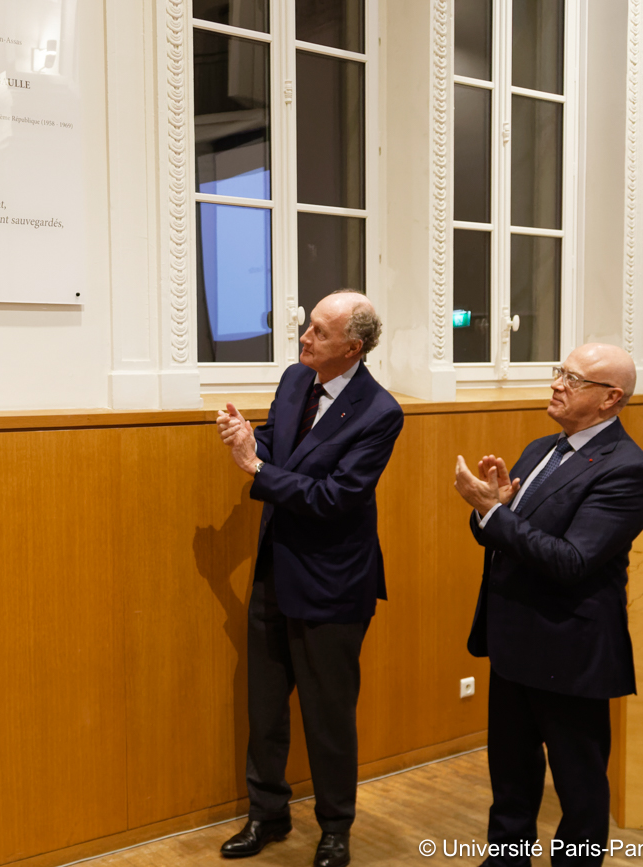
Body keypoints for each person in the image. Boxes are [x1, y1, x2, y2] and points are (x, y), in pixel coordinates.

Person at [215, 290, 403, 867]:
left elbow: (334, 498)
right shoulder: (297, 380)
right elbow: (278, 449)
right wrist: (250, 441)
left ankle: (335, 829)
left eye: (319, 332)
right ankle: (267, 815)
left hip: (332, 585)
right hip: (276, 569)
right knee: (265, 708)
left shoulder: (380, 412)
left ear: (353, 347)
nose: (304, 338)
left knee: (327, 718)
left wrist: (258, 467)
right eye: (307, 327)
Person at [453, 343, 643, 867]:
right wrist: (491, 511)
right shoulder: (541, 448)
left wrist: (494, 515)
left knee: (579, 789)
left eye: (574, 378)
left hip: (572, 650)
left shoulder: (627, 468)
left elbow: (571, 561)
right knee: (511, 778)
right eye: (558, 372)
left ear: (611, 398)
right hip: (514, 640)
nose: (557, 384)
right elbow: (502, 538)